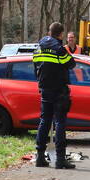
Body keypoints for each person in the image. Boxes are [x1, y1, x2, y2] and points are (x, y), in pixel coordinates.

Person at [33, 22, 77, 169]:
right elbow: (71, 64)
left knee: (44, 121)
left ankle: (40, 157)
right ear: (61, 34)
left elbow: (36, 67)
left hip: (44, 89)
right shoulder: (59, 49)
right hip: (59, 91)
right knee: (59, 123)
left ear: (49, 32)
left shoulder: (38, 48)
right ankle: (59, 159)